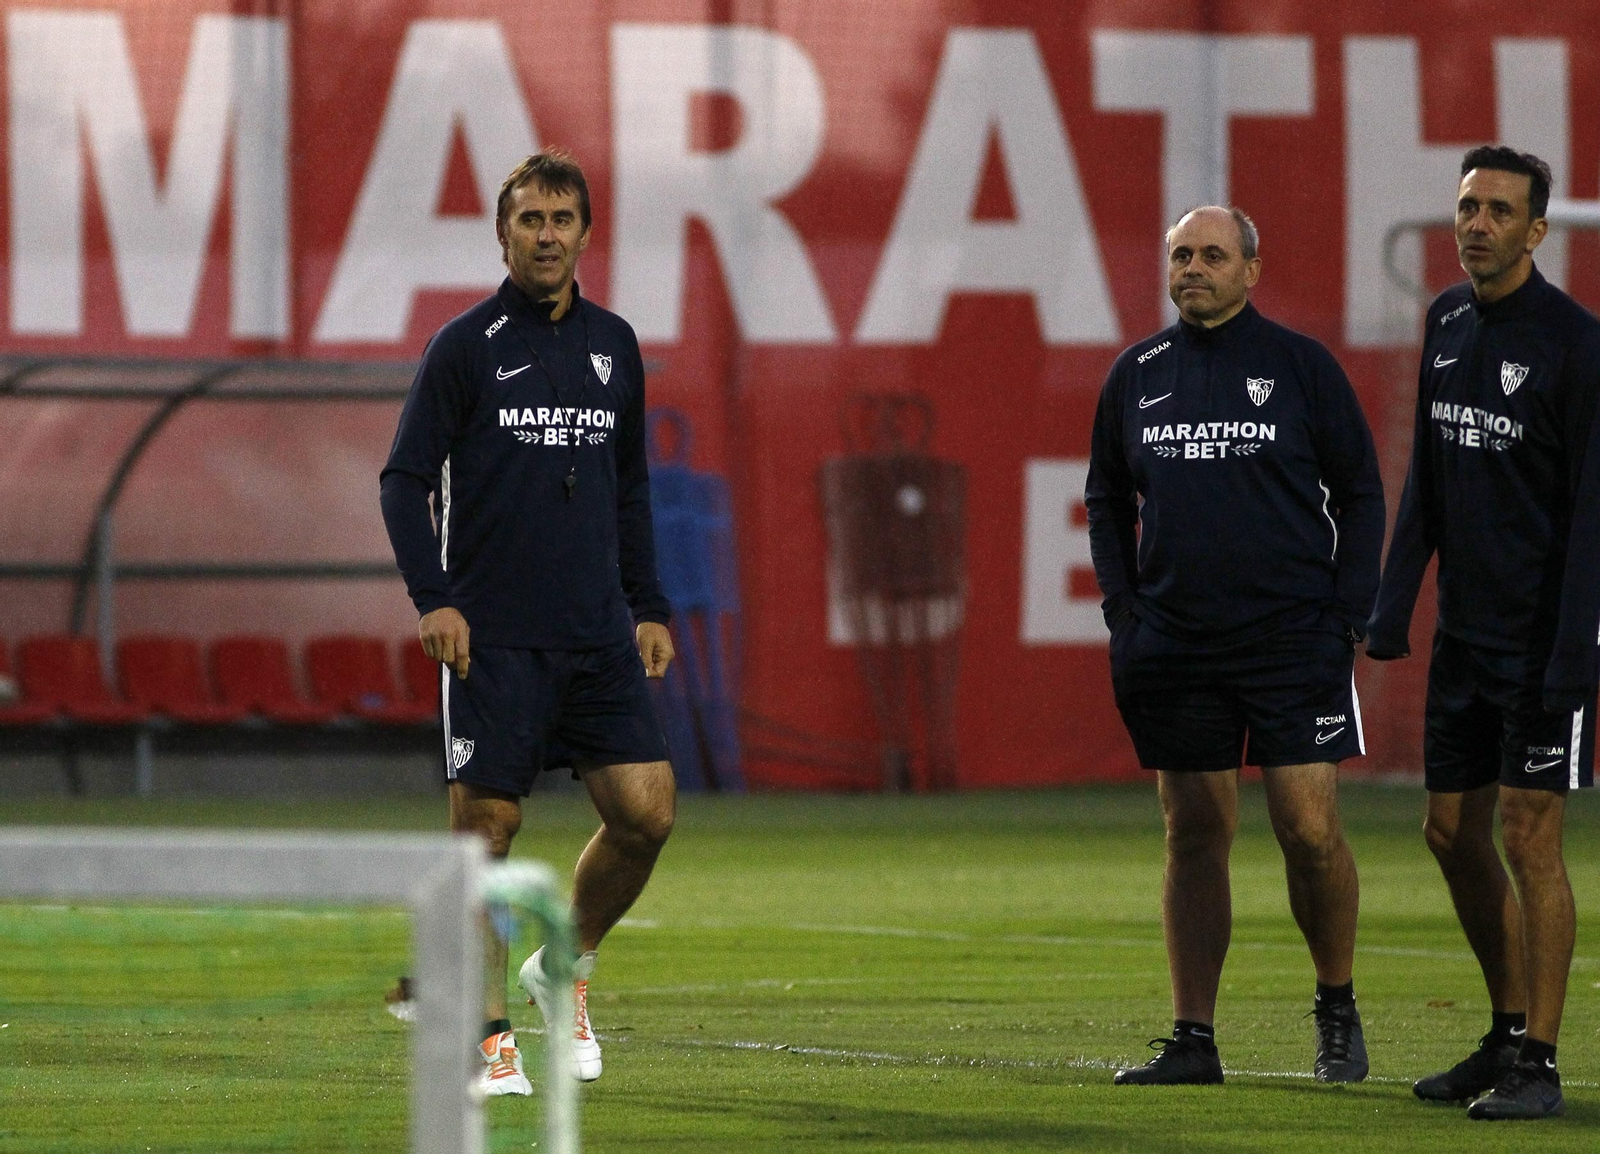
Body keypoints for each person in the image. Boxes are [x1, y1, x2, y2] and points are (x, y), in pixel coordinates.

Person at [380, 150, 676, 1096]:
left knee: (646, 814)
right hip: (493, 634)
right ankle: (485, 1035)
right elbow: (402, 481)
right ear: (501, 233)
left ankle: (562, 963)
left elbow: (630, 487)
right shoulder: (464, 345)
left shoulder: (615, 345)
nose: (546, 236)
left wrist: (650, 605)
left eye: (562, 220)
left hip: (595, 633)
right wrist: (434, 598)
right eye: (529, 220)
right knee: (490, 829)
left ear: (587, 233)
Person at [1086, 206, 1385, 1086]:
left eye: (1213, 255)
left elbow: (1362, 491)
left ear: (1252, 269)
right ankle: (1193, 1039)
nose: (1193, 268)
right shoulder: (1136, 375)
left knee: (1308, 828)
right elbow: (1105, 498)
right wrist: (1123, 612)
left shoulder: (1300, 367)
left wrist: (1349, 613)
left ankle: (1336, 1004)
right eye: (1180, 253)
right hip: (1177, 643)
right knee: (1194, 832)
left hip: (1292, 639)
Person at [1367, 146, 1600, 1121]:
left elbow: (1591, 511)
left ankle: (1539, 1060)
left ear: (1537, 231)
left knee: (1526, 835)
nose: (1476, 223)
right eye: (1467, 205)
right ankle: (1505, 1029)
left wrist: (1570, 653)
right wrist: (1391, 600)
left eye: (1499, 210)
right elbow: (1427, 474)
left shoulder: (1575, 344)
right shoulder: (1447, 319)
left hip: (1543, 636)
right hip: (1463, 636)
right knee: (1447, 830)